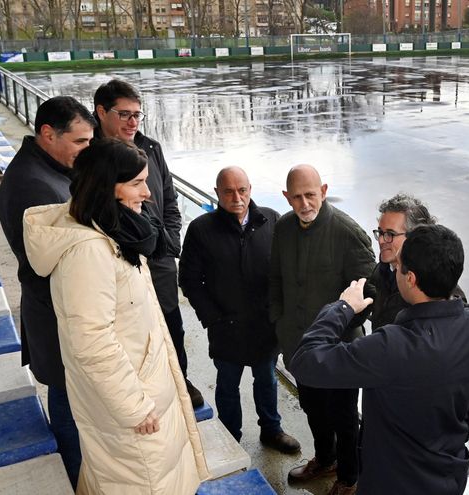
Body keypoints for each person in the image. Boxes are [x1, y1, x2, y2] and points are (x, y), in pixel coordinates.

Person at [23, 138, 209, 495]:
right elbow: (91, 341)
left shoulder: (114, 230)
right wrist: (134, 408)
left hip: (142, 394)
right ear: (108, 186)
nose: (148, 193)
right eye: (138, 183)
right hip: (133, 411)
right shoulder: (89, 252)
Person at [291, 225, 469, 495]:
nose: (394, 271)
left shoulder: (392, 346)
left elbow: (306, 362)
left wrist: (342, 307)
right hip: (448, 475)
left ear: (411, 279)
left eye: (398, 267)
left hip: (391, 480)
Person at [0, 96, 95, 488]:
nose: (88, 151)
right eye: (81, 142)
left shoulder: (50, 169)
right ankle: (78, 481)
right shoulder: (32, 186)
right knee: (68, 407)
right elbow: (51, 266)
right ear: (48, 134)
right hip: (56, 320)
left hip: (60, 315)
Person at [92, 79, 203, 407]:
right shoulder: (91, 156)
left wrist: (170, 242)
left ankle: (180, 379)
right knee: (132, 332)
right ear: (101, 112)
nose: (132, 122)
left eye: (137, 115)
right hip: (121, 262)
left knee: (172, 325)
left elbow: (169, 198)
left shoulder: (151, 148)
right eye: (124, 114)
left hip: (159, 261)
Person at [269, 164, 375, 495]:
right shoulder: (283, 228)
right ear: (286, 197)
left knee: (345, 419)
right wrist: (280, 322)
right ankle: (325, 459)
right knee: (313, 408)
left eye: (311, 195)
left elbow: (369, 294)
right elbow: (275, 280)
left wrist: (341, 328)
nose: (304, 204)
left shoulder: (347, 231)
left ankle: (348, 477)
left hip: (340, 352)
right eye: (297, 197)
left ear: (324, 191)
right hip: (299, 346)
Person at [178, 166, 300, 453]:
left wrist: (280, 314)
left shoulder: (271, 220)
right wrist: (212, 318)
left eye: (242, 190)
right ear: (217, 193)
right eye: (229, 191)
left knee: (267, 380)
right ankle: (230, 434)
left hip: (264, 325)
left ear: (250, 189)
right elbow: (190, 280)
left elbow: (287, 271)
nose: (237, 197)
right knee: (227, 385)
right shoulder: (201, 229)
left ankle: (272, 429)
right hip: (226, 326)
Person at [369, 193, 466, 329]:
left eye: (390, 234)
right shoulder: (382, 270)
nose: (381, 240)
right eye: (380, 232)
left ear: (415, 236)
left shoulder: (438, 283)